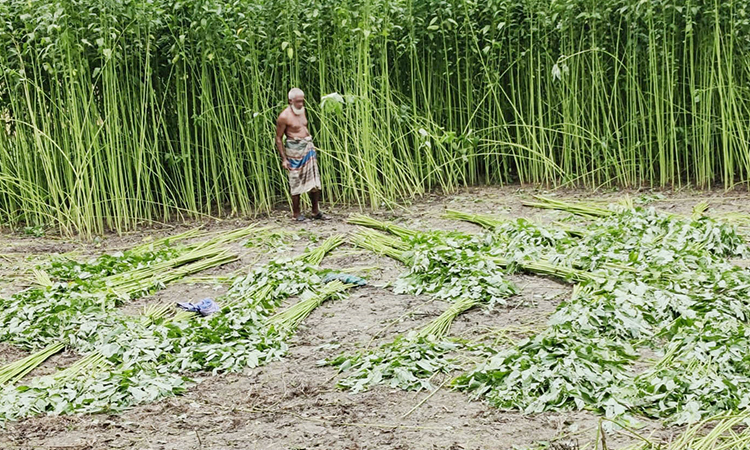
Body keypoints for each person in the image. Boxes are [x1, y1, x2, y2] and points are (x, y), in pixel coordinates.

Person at [275, 88, 328, 221]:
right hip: (294, 150)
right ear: (290, 101)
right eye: (298, 101)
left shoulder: (303, 110)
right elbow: (278, 138)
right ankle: (296, 213)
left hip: (307, 147)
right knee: (295, 180)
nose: (301, 104)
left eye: (302, 101)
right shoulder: (284, 116)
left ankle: (315, 211)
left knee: (315, 180)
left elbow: (303, 128)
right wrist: (284, 159)